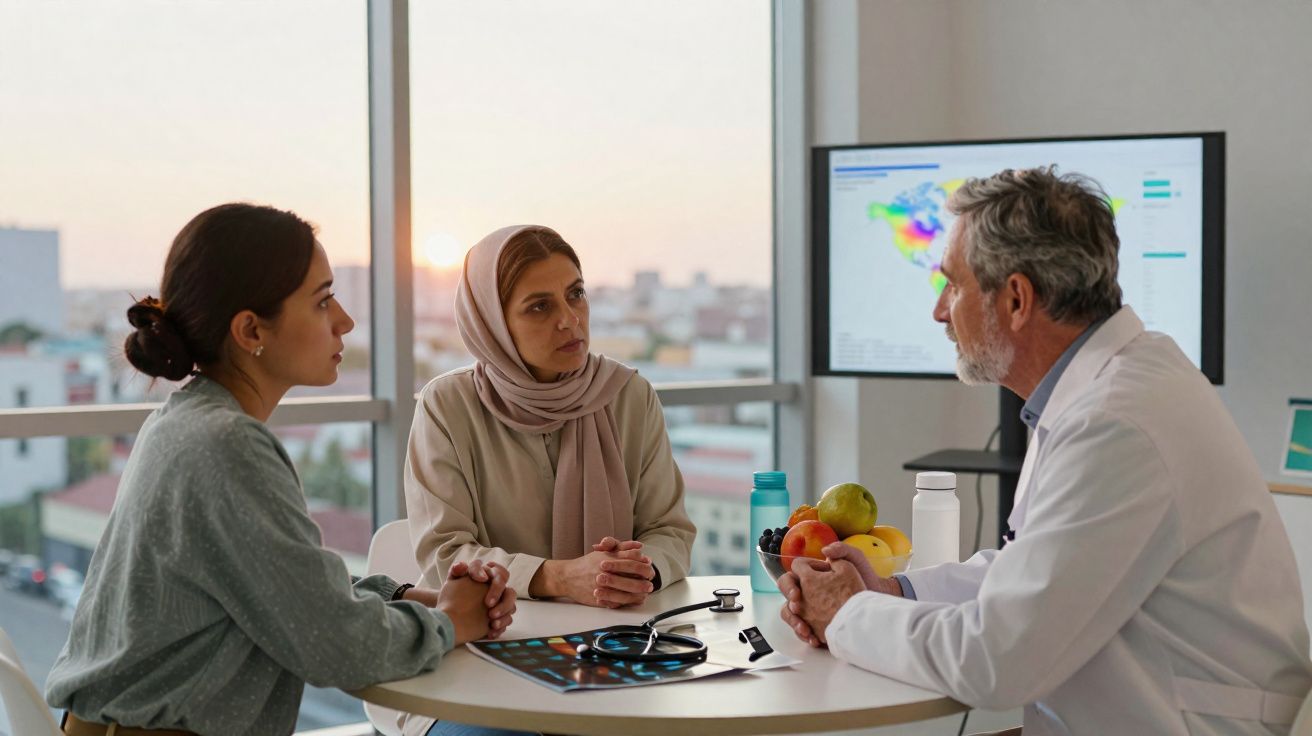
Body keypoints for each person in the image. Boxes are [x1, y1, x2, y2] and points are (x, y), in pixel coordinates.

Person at [778, 168, 1312, 734]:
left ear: (1015, 299)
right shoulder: (1116, 382)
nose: (940, 311)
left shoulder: (1116, 423)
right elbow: (1033, 573)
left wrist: (847, 612)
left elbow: (996, 662)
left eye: (953, 286)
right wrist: (895, 590)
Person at [45, 203, 516, 736]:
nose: (345, 320)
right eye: (322, 302)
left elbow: (280, 583)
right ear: (250, 331)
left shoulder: (187, 420)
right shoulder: (227, 445)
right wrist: (450, 623)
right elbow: (335, 647)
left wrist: (405, 597)